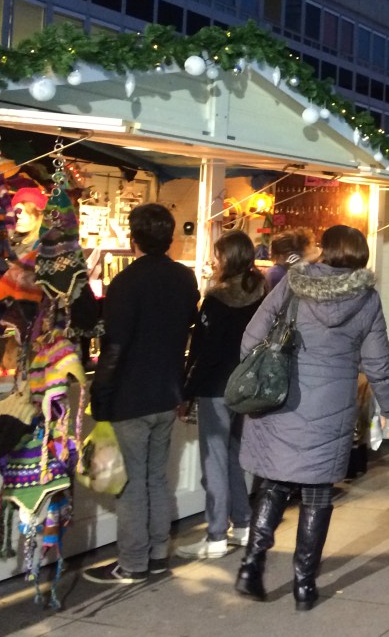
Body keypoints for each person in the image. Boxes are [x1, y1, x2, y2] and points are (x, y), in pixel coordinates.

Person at [236, 224, 389, 611]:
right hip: (331, 406)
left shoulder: (294, 283)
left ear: (325, 251)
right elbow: (377, 360)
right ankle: (304, 585)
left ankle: (251, 567)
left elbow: (252, 335)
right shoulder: (367, 298)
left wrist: (259, 374)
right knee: (317, 493)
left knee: (273, 483)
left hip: (283, 399)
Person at [85, 204, 200, 584]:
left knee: (132, 483)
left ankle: (133, 561)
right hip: (167, 391)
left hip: (131, 395)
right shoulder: (184, 279)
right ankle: (155, 553)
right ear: (168, 238)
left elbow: (115, 344)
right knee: (154, 478)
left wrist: (100, 392)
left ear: (133, 237)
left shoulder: (126, 282)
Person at [175, 231, 267, 559]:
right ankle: (242, 525)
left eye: (218, 255)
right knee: (233, 456)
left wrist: (187, 391)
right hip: (248, 386)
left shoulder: (216, 298)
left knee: (214, 460)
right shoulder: (262, 293)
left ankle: (216, 535)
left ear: (227, 258)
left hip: (216, 387)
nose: (214, 261)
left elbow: (202, 350)